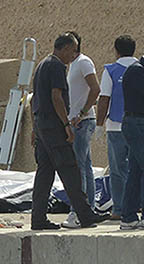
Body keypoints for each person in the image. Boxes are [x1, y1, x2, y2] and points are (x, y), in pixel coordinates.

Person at [30, 33, 107, 230]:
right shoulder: (56, 66)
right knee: (70, 169)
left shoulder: (41, 65)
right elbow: (56, 97)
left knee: (45, 173)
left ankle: (38, 219)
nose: (73, 56)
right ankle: (86, 215)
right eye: (72, 51)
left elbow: (33, 99)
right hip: (53, 126)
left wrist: (34, 128)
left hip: (41, 125)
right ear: (63, 49)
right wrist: (66, 124)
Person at [97, 35, 139, 221]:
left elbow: (104, 98)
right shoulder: (141, 68)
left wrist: (99, 124)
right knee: (137, 168)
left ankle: (120, 209)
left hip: (115, 126)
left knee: (117, 170)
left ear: (116, 50)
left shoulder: (111, 70)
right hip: (139, 126)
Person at [62, 31, 101, 228]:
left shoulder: (84, 62)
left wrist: (82, 113)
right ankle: (88, 210)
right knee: (85, 167)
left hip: (82, 123)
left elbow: (95, 88)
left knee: (78, 169)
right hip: (79, 122)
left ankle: (78, 212)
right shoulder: (74, 66)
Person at [116, 49, 144, 229]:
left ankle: (128, 216)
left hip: (137, 123)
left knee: (135, 171)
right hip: (135, 124)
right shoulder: (137, 71)